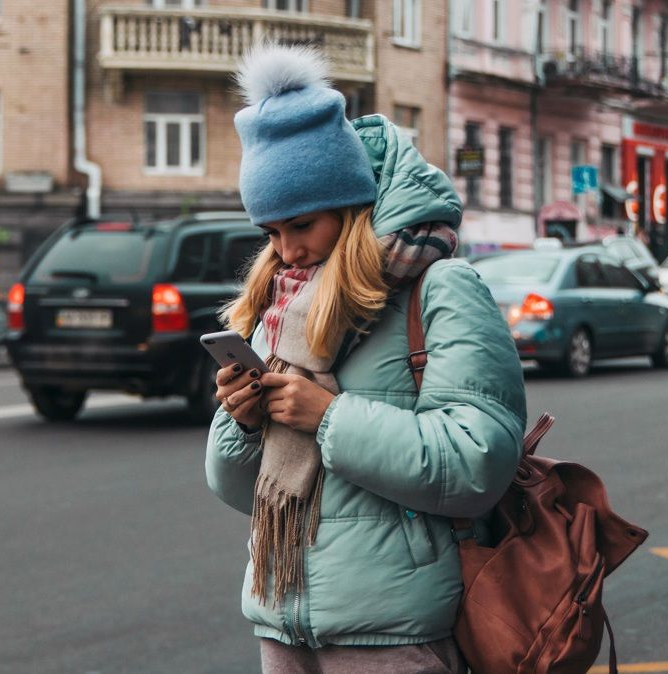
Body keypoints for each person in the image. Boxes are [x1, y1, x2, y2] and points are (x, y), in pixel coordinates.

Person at [204, 44, 528, 674]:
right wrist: (242, 422)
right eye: (270, 233)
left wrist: (329, 417)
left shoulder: (437, 288)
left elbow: (479, 462)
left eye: (301, 225)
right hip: (283, 621)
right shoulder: (279, 305)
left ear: (348, 208)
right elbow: (240, 490)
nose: (287, 250)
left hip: (394, 631)